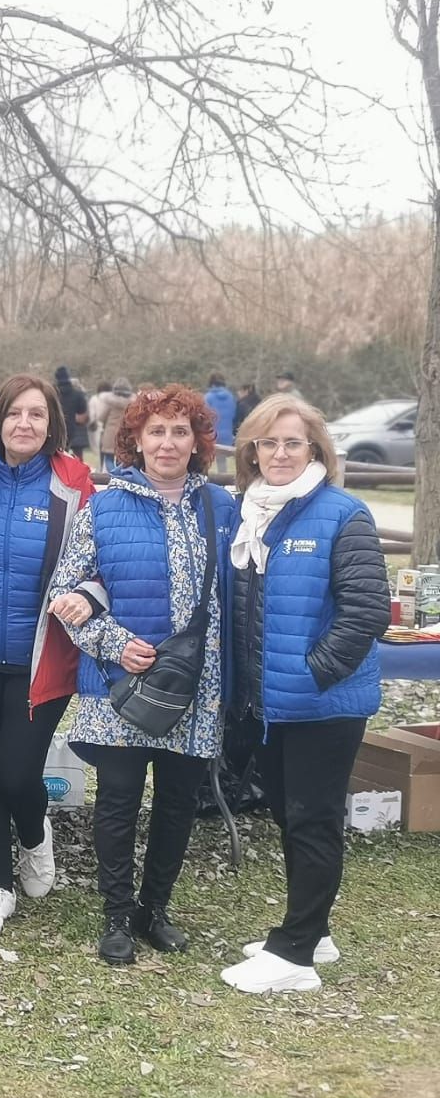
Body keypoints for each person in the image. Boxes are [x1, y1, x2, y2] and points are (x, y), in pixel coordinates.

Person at [47, 384, 237, 966]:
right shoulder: (104, 508)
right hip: (121, 684)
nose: (168, 442)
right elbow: (65, 593)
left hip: (197, 686)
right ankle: (117, 914)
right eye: (156, 431)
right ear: (135, 440)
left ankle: (155, 909)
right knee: (119, 800)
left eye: (181, 431)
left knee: (178, 801)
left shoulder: (223, 508)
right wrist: (114, 643)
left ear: (198, 441)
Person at [219, 396, 387, 994]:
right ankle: (314, 931)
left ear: (315, 449)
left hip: (321, 703)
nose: (280, 453)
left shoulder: (343, 514)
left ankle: (293, 953)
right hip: (269, 706)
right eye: (268, 443)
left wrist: (314, 674)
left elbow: (366, 611)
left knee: (313, 820)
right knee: (290, 816)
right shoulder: (249, 513)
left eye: (293, 442)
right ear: (252, 451)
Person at [0, 375, 94, 935]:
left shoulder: (72, 484)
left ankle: (34, 834)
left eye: (36, 414)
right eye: (14, 413)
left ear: (52, 424)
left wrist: (87, 595)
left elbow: (98, 561)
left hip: (42, 658)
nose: (24, 424)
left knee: (17, 771)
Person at [54, 367, 91, 461]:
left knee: (58, 457)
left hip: (56, 429)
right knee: (78, 458)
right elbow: (83, 413)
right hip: (73, 429)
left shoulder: (53, 394)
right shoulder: (77, 395)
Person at [97, 378, 132, 472]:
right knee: (122, 458)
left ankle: (113, 474)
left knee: (108, 458)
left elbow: (101, 417)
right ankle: (120, 473)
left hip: (110, 433)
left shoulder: (110, 403)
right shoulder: (131, 404)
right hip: (125, 432)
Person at [205, 375, 237, 474]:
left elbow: (205, 416)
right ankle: (223, 476)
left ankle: (205, 478)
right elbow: (234, 414)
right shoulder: (231, 397)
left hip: (212, 433)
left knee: (206, 459)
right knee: (222, 459)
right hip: (227, 434)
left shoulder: (208, 397)